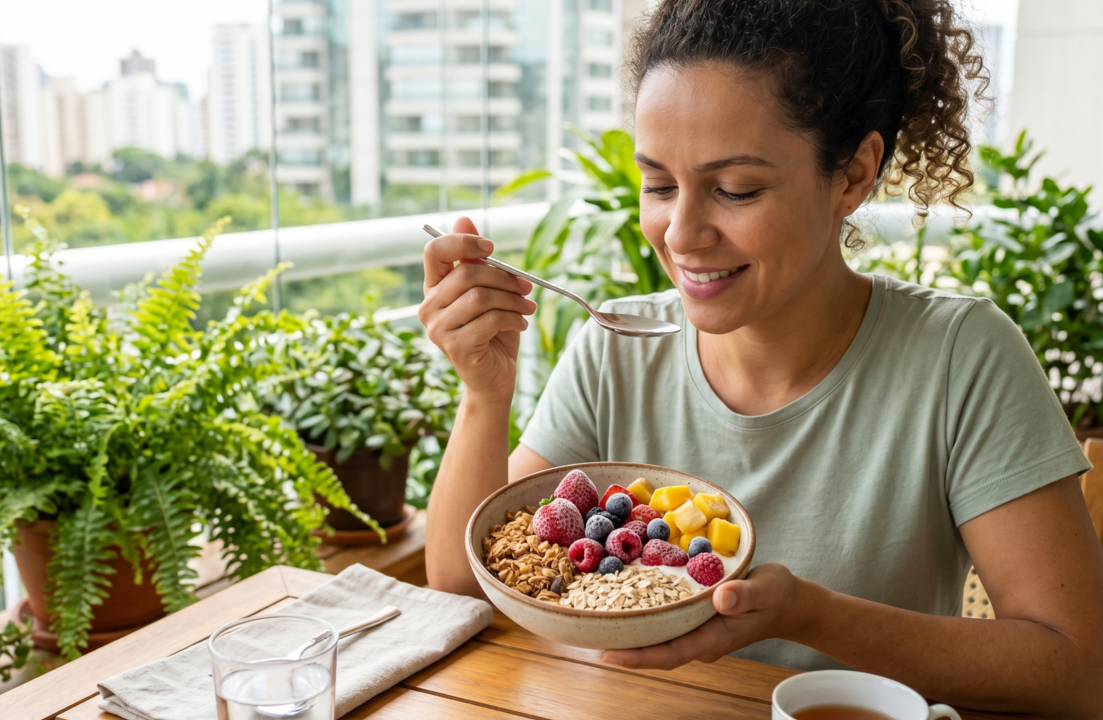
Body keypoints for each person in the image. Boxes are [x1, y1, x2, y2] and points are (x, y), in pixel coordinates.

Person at [419, 0, 1103, 715]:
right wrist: (484, 393)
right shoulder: (615, 351)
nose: (681, 233)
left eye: (735, 190)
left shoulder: (961, 359)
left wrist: (810, 615)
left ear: (853, 175)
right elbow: (464, 589)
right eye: (658, 184)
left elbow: (1078, 671)